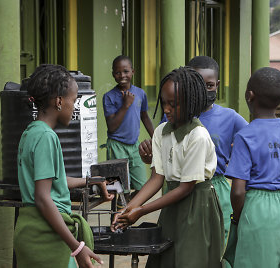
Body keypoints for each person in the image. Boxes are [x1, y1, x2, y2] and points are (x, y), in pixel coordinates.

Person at [112, 67, 224, 268]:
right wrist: (128, 209)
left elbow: (186, 187)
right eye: (164, 102)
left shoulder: (198, 136)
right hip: (171, 204)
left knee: (191, 258)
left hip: (196, 205)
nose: (166, 109)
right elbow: (156, 178)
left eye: (173, 104)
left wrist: (142, 210)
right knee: (166, 258)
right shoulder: (161, 132)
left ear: (191, 102)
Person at [13, 64, 113, 268]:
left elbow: (53, 181)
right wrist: (76, 247)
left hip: (32, 230)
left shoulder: (30, 132)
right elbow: (43, 197)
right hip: (46, 235)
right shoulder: (46, 137)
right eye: (74, 101)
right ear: (59, 101)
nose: (74, 107)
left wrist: (89, 181)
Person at [139, 56, 248, 242]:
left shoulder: (230, 117)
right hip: (175, 188)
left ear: (217, 84)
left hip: (214, 186)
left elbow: (252, 142)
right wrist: (150, 157)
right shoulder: (172, 117)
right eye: (197, 84)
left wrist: (238, 160)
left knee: (216, 242)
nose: (203, 90)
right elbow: (168, 153)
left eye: (210, 85)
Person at [224, 67, 280, 268]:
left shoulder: (245, 136)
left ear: (249, 96)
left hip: (259, 211)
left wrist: (238, 217)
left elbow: (237, 191)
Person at [103, 55, 154, 196]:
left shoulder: (140, 93)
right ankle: (119, 214)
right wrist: (125, 105)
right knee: (119, 189)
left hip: (134, 146)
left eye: (126, 71)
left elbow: (145, 117)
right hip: (116, 146)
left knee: (143, 187)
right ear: (113, 75)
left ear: (133, 72)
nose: (122, 75)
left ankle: (127, 208)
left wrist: (156, 138)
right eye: (118, 72)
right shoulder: (109, 97)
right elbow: (112, 127)